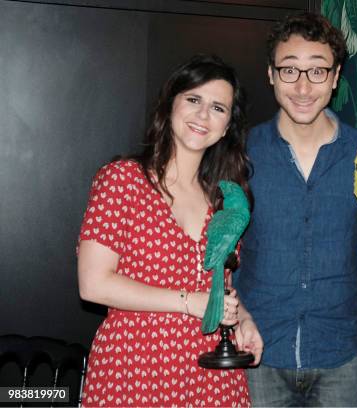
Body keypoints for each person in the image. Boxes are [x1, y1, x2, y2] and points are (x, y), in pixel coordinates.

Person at [77, 54, 263, 407]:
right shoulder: (122, 180)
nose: (203, 115)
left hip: (212, 374)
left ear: (227, 127)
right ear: (170, 105)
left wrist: (243, 321)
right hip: (134, 366)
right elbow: (93, 284)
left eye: (218, 108)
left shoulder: (222, 198)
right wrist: (187, 303)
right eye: (193, 99)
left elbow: (220, 288)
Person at [233, 12, 357, 407]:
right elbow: (221, 248)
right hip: (258, 354)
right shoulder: (241, 154)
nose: (303, 87)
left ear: (336, 77)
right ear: (271, 74)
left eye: (317, 71)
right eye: (289, 70)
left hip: (340, 354)